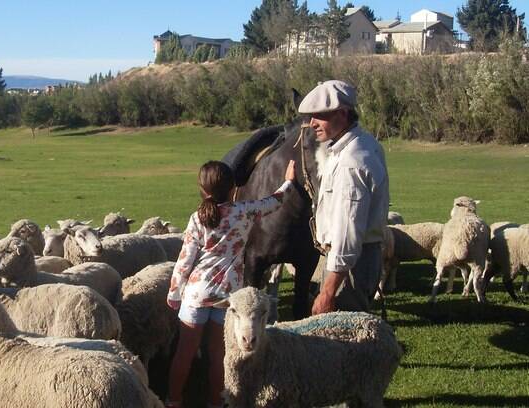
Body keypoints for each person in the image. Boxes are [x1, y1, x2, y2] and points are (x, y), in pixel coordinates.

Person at [165, 159, 296, 408]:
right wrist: (289, 181)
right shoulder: (245, 211)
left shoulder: (197, 218)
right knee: (220, 356)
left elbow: (185, 258)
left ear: (202, 190)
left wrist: (174, 291)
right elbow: (276, 200)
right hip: (228, 297)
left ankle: (174, 401)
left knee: (185, 353)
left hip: (196, 294)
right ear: (233, 187)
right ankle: (216, 402)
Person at [298, 80, 389, 315]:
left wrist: (328, 292)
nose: (312, 123)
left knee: (343, 343)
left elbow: (348, 232)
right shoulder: (361, 145)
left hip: (349, 268)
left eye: (320, 116)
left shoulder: (351, 162)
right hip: (349, 262)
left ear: (343, 113)